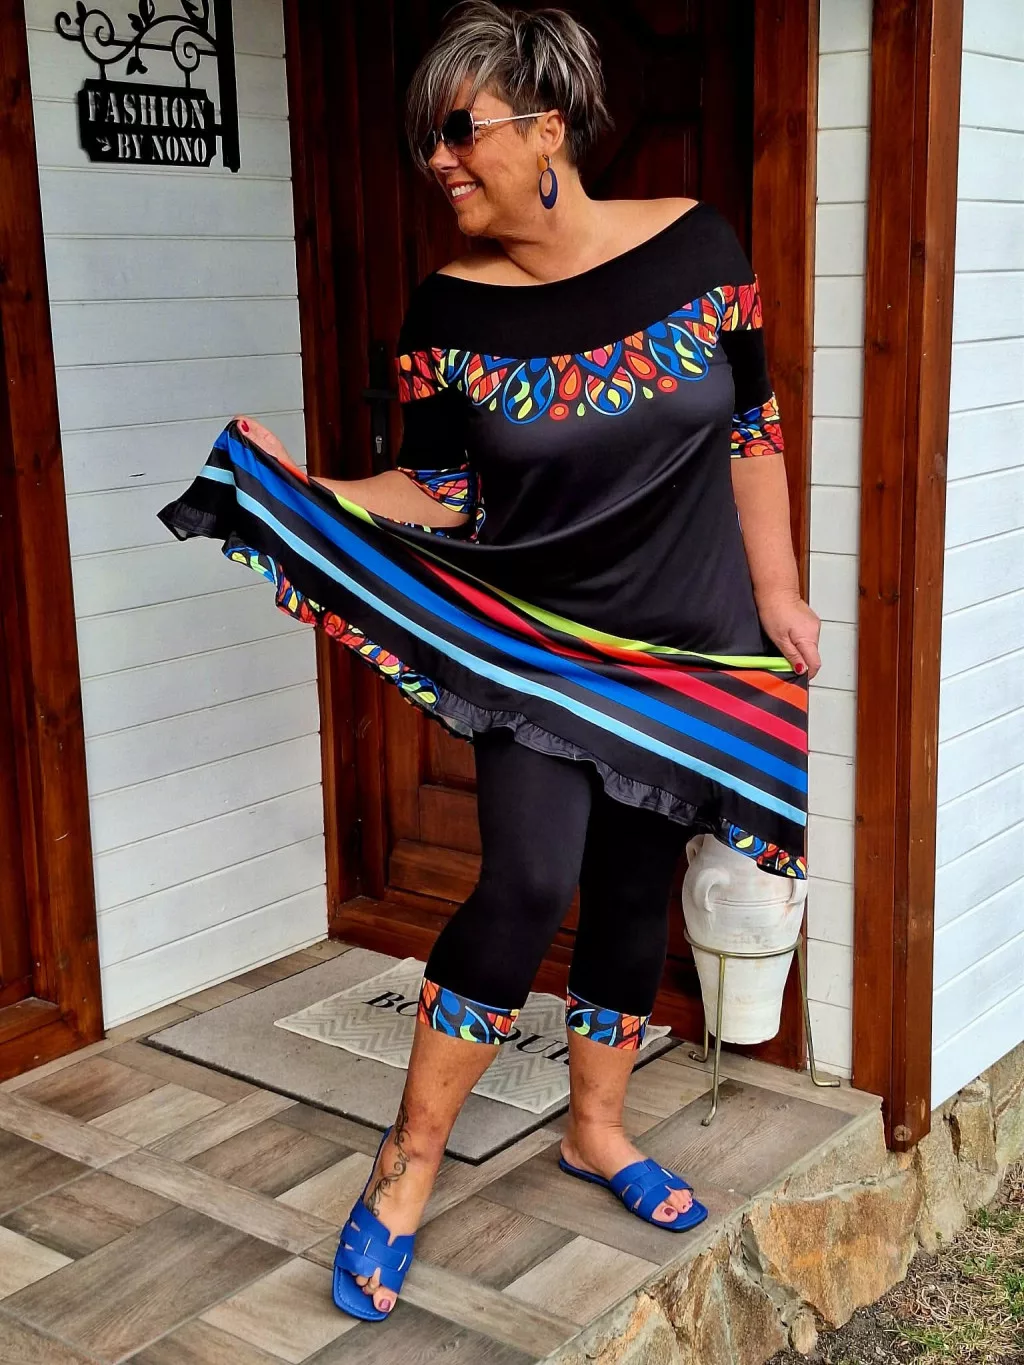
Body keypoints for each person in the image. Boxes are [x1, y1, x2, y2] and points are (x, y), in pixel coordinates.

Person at [159, 0, 821, 1322]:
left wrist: (780, 592)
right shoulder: (449, 311)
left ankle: (598, 1132)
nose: (439, 161)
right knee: (522, 882)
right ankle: (405, 1167)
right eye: (428, 141)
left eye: (458, 132)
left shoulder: (701, 248)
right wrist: (312, 490)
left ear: (547, 128)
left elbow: (751, 428)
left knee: (631, 896)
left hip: (692, 642)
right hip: (536, 649)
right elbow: (440, 488)